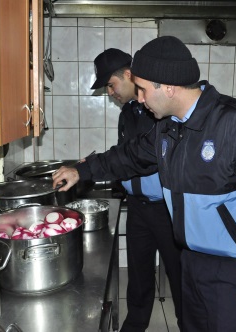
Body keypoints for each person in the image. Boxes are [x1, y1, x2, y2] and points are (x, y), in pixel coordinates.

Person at [53, 36, 236, 332]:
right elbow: (129, 156)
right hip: (190, 260)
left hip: (234, 268)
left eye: (144, 89)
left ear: (168, 87)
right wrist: (82, 170)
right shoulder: (168, 127)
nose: (141, 98)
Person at [90, 48, 182, 331]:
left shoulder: (158, 109)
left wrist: (96, 167)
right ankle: (134, 326)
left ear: (128, 75)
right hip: (139, 208)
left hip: (167, 210)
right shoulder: (127, 113)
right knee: (139, 278)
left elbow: (143, 156)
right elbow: (126, 154)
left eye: (111, 84)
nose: (110, 92)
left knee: (180, 277)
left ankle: (189, 325)